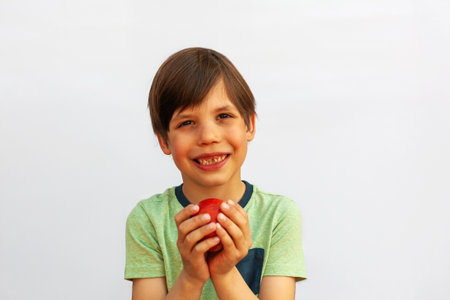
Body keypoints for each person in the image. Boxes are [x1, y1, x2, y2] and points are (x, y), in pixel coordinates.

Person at [125, 47, 306, 299]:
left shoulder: (278, 216)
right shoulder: (148, 219)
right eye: (186, 122)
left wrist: (224, 273)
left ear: (249, 126)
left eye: (223, 116)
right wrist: (191, 275)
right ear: (164, 141)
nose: (208, 136)